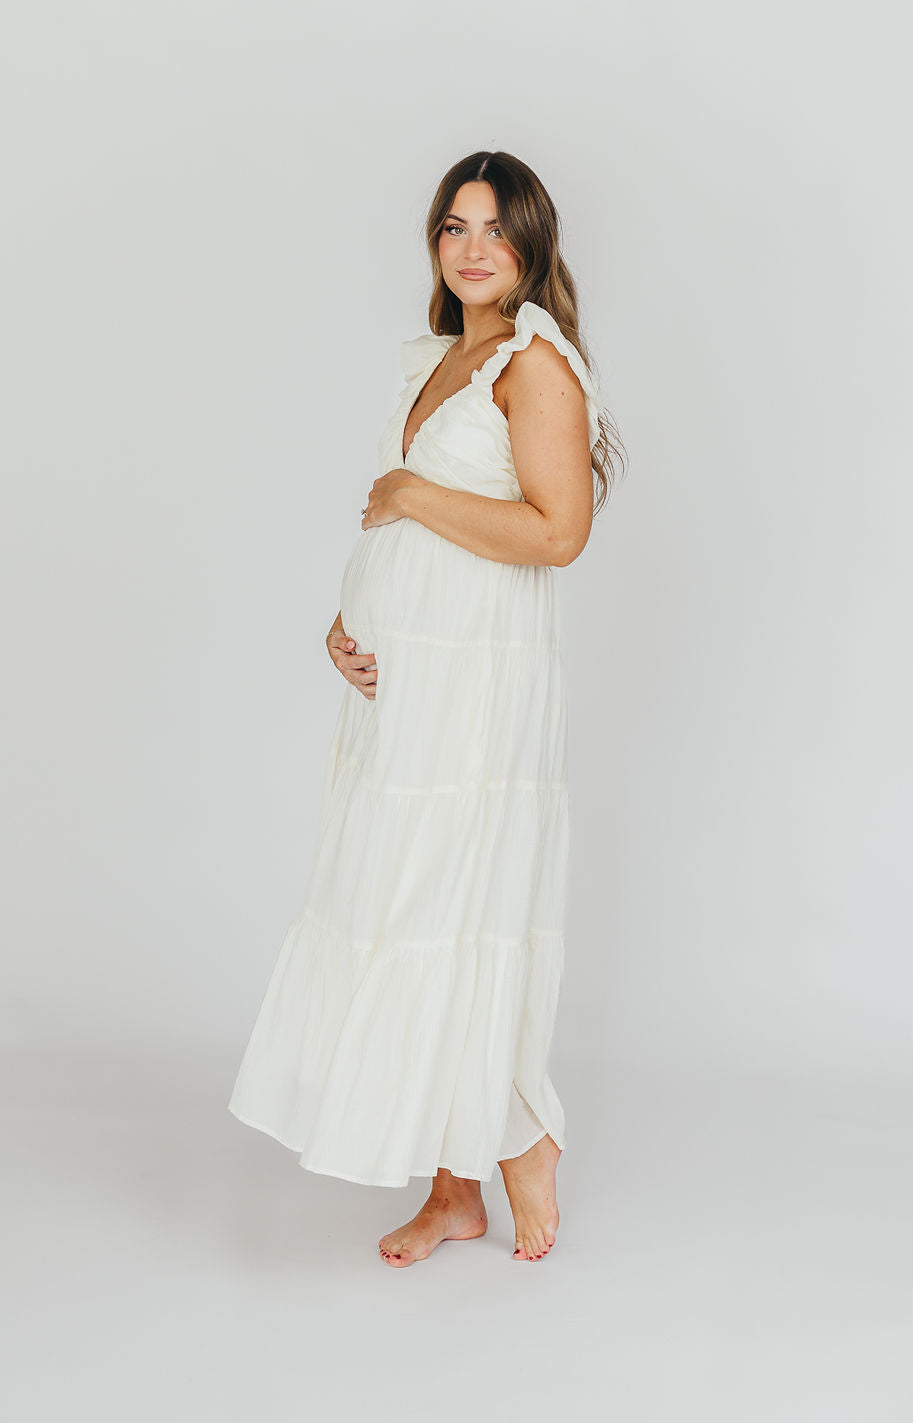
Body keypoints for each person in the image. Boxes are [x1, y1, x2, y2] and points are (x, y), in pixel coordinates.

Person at [228, 149, 625, 1267]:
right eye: (455, 226)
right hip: (404, 690)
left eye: (495, 228)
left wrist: (409, 489)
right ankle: (455, 1186)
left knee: (458, 901)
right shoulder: (445, 357)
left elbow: (558, 532)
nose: (473, 247)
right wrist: (349, 621)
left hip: (478, 692)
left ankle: (522, 1135)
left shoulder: (534, 362)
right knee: (407, 908)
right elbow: (412, 537)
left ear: (532, 244)